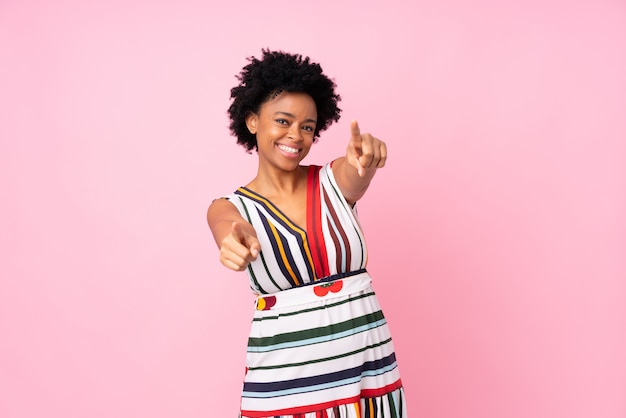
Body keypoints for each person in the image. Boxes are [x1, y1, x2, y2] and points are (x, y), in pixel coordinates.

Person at [207, 49, 407, 417]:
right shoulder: (231, 207)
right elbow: (225, 225)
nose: (295, 136)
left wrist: (365, 158)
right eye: (282, 121)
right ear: (252, 121)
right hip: (286, 390)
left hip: (368, 377)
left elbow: (355, 171)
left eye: (308, 127)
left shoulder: (333, 181)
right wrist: (231, 242)